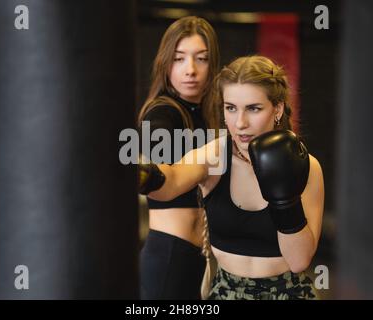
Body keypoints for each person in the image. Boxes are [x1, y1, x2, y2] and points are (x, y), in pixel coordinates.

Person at [139, 55, 325, 300]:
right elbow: (171, 182)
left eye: (253, 108)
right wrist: (139, 173)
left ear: (277, 108)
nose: (240, 123)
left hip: (288, 293)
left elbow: (299, 260)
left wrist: (285, 197)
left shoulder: (307, 167)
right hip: (226, 293)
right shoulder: (215, 155)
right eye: (231, 108)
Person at [137, 16, 221, 299]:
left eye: (201, 58)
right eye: (179, 58)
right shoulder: (162, 112)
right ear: (165, 63)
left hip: (199, 258)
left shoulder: (209, 116)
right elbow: (159, 171)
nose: (191, 70)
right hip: (169, 255)